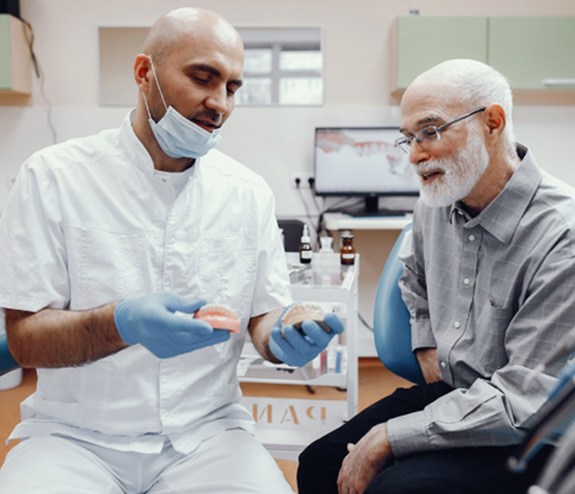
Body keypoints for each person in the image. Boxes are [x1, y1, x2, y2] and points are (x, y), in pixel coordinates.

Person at [0, 7, 343, 494]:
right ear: (144, 74)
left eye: (232, 87)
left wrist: (285, 332)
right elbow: (25, 339)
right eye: (203, 78)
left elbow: (263, 316)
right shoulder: (54, 177)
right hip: (73, 438)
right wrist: (119, 322)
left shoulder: (247, 194)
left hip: (207, 437)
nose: (219, 102)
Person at [297, 58, 575, 494]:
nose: (414, 155)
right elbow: (414, 275)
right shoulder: (435, 204)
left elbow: (525, 398)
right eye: (407, 139)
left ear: (493, 122)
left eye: (430, 131)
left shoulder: (563, 235)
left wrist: (391, 437)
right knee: (319, 464)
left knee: (395, 488)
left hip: (527, 424)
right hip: (455, 392)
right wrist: (426, 342)